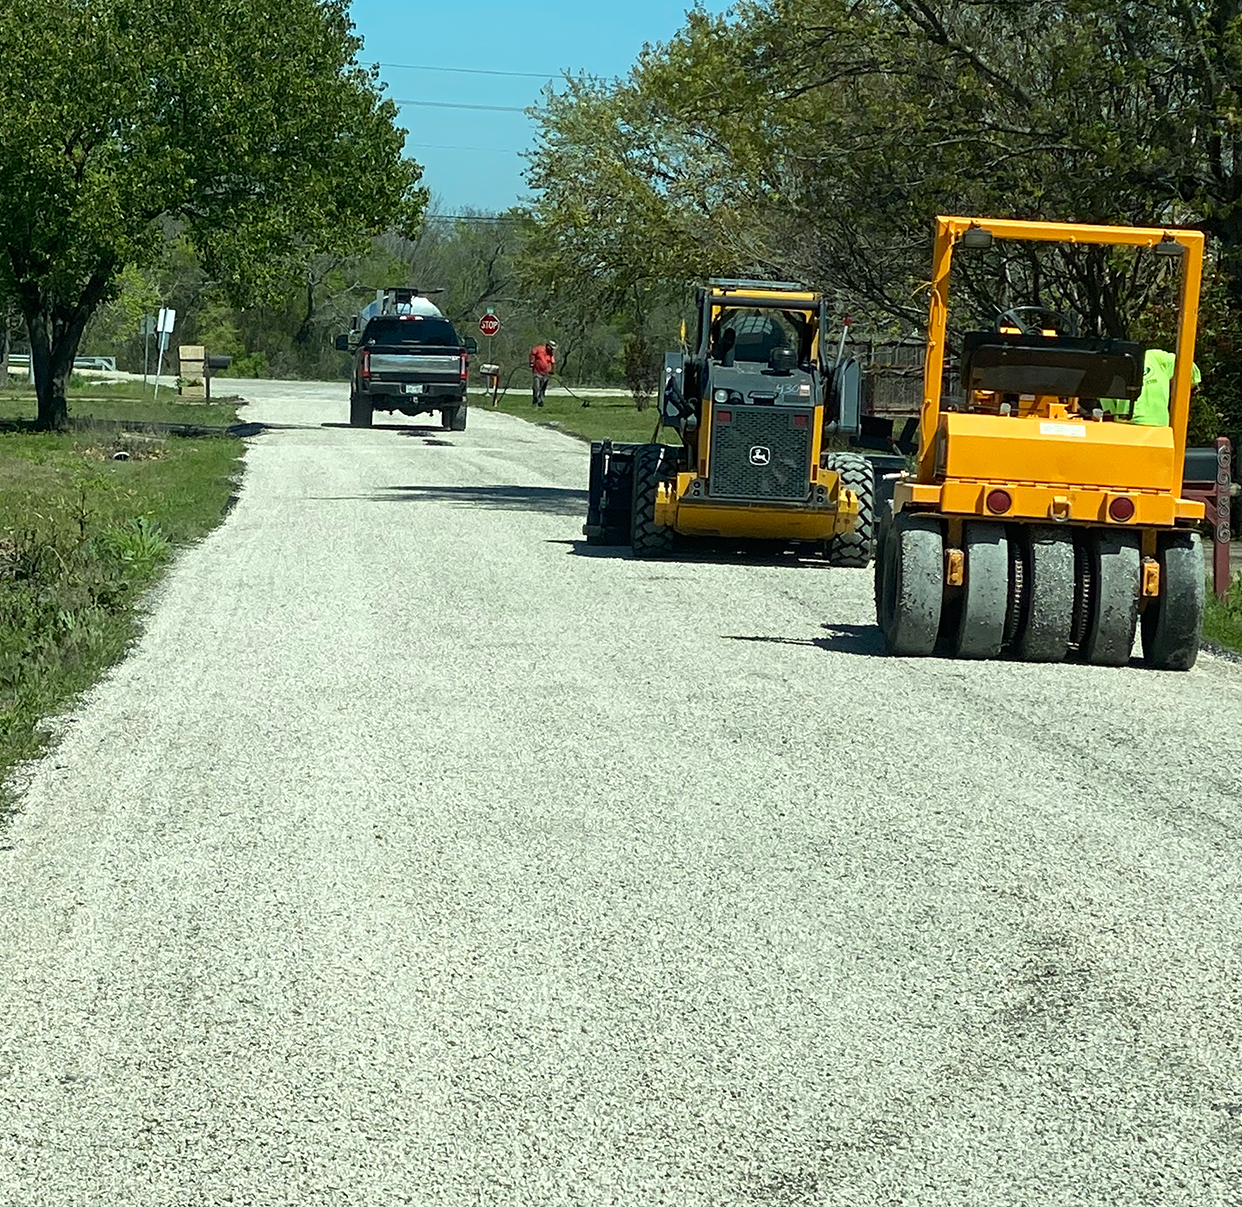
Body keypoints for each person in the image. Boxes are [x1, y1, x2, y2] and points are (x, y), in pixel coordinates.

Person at [1101, 347, 1201, 425]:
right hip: (1156, 428)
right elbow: (1189, 368)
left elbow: (1109, 412)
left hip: (1126, 429)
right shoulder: (1155, 357)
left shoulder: (1109, 367)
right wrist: (1191, 386)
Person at [529, 340, 556, 407]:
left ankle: (541, 401)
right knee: (536, 387)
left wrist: (552, 370)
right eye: (551, 348)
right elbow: (532, 353)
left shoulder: (550, 354)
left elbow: (553, 362)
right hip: (537, 371)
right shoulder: (539, 349)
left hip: (546, 373)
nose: (552, 350)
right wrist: (532, 362)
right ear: (547, 346)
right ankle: (535, 400)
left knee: (542, 388)